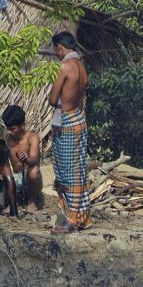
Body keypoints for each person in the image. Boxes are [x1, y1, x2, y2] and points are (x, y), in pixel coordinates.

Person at [47, 31, 90, 233]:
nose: (56, 53)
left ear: (60, 47)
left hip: (66, 121)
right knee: (78, 170)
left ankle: (71, 220)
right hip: (79, 119)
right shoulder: (82, 67)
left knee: (67, 173)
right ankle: (81, 217)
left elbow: (53, 99)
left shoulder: (65, 66)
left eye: (56, 50)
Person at [0, 105, 42, 212]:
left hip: (29, 179)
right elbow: (4, 165)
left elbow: (34, 160)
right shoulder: (6, 139)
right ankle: (14, 200)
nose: (9, 131)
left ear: (22, 125)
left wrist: (26, 159)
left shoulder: (32, 138)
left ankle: (32, 200)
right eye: (7, 128)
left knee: (34, 171)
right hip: (14, 178)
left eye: (12, 128)